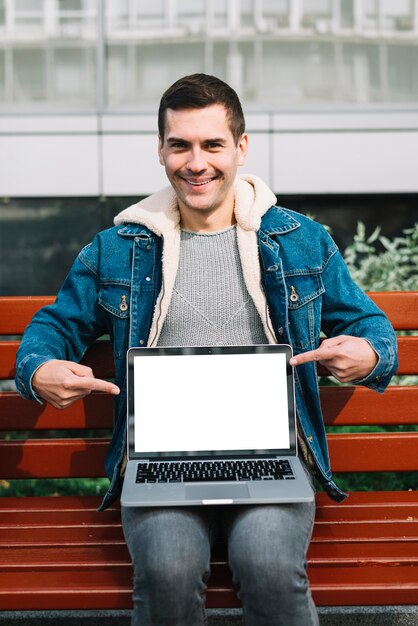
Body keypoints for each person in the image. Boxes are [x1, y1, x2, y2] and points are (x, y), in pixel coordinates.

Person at [15, 74, 397, 626]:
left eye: (212, 144)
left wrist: (366, 353)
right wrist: (41, 367)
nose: (196, 163)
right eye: (180, 145)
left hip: (272, 456)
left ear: (241, 147)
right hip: (159, 460)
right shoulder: (118, 248)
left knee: (266, 564)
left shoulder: (300, 240)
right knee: (167, 571)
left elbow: (372, 328)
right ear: (161, 150)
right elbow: (53, 326)